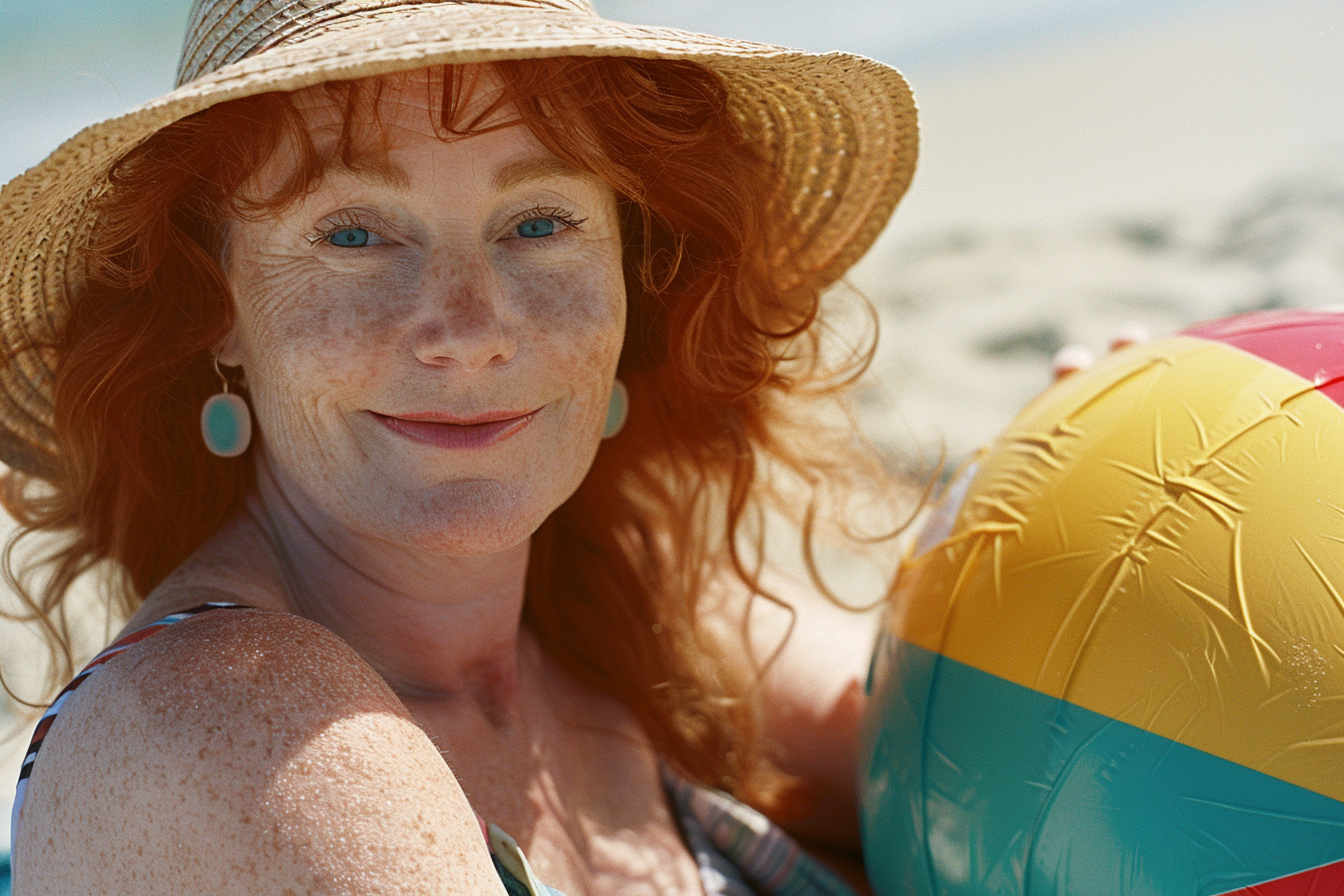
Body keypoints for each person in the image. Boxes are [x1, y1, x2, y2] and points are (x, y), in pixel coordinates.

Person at [0, 1, 919, 893]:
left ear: (631, 267)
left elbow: (1010, 737)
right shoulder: (229, 720)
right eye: (353, 232)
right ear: (214, 306)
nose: (470, 329)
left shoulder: (627, 611)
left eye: (539, 224)